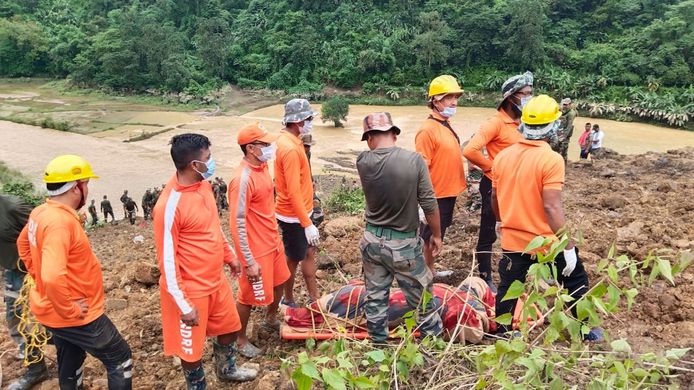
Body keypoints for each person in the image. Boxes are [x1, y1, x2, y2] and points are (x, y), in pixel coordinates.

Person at [491, 96, 602, 341]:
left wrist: (500, 220)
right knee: (575, 278)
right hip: (545, 241)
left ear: (522, 125)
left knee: (508, 288)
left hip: (513, 239)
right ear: (553, 127)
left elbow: (495, 196)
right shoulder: (551, 159)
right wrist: (569, 246)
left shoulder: (502, 157)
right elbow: (551, 207)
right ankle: (584, 330)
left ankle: (503, 332)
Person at [17, 154, 132, 389]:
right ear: (77, 187)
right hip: (77, 314)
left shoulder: (40, 212)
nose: (87, 189)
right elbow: (52, 275)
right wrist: (68, 307)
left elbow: (23, 244)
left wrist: (39, 280)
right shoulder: (61, 223)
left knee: (71, 357)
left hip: (53, 310)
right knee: (120, 358)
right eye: (86, 184)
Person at [153, 133, 257, 389]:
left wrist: (229, 256)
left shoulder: (203, 186)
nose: (212, 163)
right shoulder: (169, 206)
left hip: (216, 281)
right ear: (194, 165)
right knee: (191, 351)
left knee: (230, 328)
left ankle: (226, 369)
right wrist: (182, 304)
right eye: (208, 158)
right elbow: (166, 260)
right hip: (190, 289)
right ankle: (197, 386)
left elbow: (212, 227)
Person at [356, 112, 443, 343]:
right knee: (422, 298)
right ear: (394, 133)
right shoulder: (414, 161)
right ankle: (432, 345)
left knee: (375, 298)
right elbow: (429, 202)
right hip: (403, 245)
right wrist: (436, 234)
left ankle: (378, 346)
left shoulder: (362, 161)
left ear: (369, 138)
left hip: (372, 240)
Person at [462, 71, 533, 291]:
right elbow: (470, 150)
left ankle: (521, 272)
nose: (530, 97)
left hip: (518, 186)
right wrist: (493, 168)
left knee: (520, 228)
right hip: (495, 186)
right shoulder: (495, 123)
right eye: (526, 93)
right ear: (511, 97)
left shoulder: (523, 123)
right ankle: (485, 275)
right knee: (489, 231)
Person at [228, 123, 291, 358]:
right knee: (247, 296)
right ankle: (240, 339)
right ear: (252, 148)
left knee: (280, 281)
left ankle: (271, 318)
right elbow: (238, 223)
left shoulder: (263, 167)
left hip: (272, 240)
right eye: (266, 144)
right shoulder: (241, 179)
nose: (271, 147)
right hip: (256, 249)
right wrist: (248, 260)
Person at [282, 276, 496, 344]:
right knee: (340, 305)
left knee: (343, 304)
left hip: (385, 300)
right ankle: (293, 314)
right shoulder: (465, 305)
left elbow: (477, 285)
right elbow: (473, 331)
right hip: (383, 300)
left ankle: (294, 313)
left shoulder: (464, 299)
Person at [415, 75, 466, 273]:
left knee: (437, 235)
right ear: (436, 101)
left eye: (456, 97)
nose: (454, 102)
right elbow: (422, 168)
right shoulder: (427, 130)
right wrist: (422, 202)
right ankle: (427, 273)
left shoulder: (444, 124)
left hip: (447, 193)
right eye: (448, 98)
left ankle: (430, 269)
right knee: (430, 237)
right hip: (435, 195)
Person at [1, 195, 51, 390]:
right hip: (11, 273)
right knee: (15, 321)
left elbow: (45, 234)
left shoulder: (13, 207)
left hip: (30, 273)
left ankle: (65, 359)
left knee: (34, 322)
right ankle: (35, 364)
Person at [275, 99, 321, 306]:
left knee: (309, 251)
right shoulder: (290, 149)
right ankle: (288, 299)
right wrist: (307, 223)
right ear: (298, 122)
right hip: (294, 215)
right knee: (293, 259)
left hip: (302, 211)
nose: (311, 122)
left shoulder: (295, 142)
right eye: (309, 119)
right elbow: (292, 192)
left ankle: (314, 298)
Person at [300, 133, 325, 228]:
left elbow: (308, 167)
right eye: (306, 146)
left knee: (315, 201)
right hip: (298, 182)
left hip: (306, 181)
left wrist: (312, 180)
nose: (308, 148)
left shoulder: (307, 153)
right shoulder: (295, 154)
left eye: (309, 146)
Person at [553, 98, 577, 163]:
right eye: (564, 104)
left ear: (570, 104)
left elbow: (569, 126)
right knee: (556, 149)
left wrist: (563, 137)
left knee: (563, 150)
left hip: (565, 135)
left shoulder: (571, 114)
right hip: (559, 132)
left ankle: (564, 164)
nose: (564, 106)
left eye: (566, 105)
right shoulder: (563, 111)